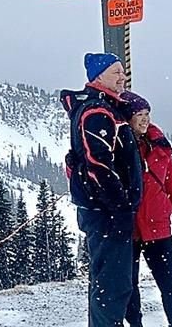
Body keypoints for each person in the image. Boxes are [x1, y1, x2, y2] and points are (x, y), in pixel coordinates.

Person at [62, 52, 143, 327]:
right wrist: (120, 208)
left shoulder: (106, 108)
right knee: (112, 286)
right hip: (106, 214)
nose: (123, 77)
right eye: (116, 72)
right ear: (98, 77)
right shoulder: (97, 111)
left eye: (122, 71)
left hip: (105, 212)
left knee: (111, 284)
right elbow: (100, 165)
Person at [119, 91, 172, 327]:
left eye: (147, 114)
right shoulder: (118, 148)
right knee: (129, 285)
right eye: (138, 114)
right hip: (129, 229)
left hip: (158, 229)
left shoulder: (160, 150)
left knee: (170, 283)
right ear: (127, 118)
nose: (144, 119)